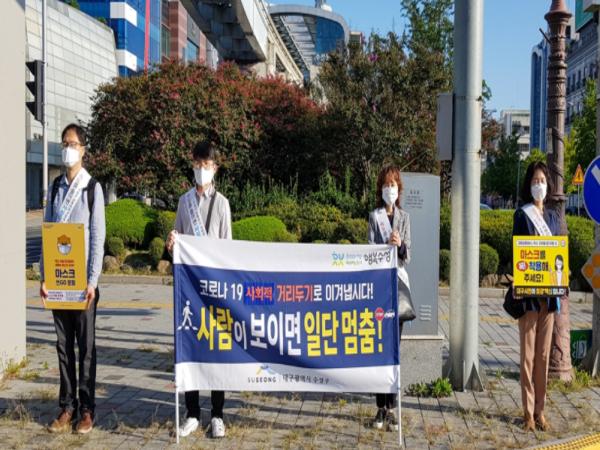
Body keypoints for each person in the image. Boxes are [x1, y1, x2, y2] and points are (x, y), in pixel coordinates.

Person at [40, 123, 106, 434]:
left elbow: (97, 238)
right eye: (64, 143)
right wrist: (44, 277)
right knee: (63, 347)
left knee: (86, 348)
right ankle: (67, 407)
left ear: (83, 150)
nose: (68, 149)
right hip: (59, 283)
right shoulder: (55, 187)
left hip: (83, 286)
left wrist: (93, 281)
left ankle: (87, 410)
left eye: (73, 144)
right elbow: (48, 234)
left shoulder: (92, 188)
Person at [165, 140, 232, 439]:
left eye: (206, 165)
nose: (201, 169)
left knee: (217, 349)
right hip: (190, 290)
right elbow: (177, 243)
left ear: (215, 168)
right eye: (197, 164)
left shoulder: (222, 204)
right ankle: (192, 412)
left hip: (214, 287)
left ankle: (217, 413)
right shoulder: (184, 202)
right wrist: (171, 243)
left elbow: (228, 248)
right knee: (190, 346)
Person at [512, 161, 562, 432]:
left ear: (548, 185)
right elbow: (517, 252)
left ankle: (541, 411)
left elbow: (559, 254)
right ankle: (528, 413)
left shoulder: (554, 217)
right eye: (534, 181)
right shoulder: (522, 215)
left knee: (543, 356)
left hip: (549, 297)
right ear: (529, 185)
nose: (538, 185)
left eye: (542, 181)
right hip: (529, 295)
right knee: (528, 356)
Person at [367, 164, 411, 432]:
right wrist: (385, 246)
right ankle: (380, 407)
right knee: (379, 348)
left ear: (399, 188)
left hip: (398, 286)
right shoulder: (374, 217)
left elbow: (409, 255)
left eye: (393, 185)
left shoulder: (405, 218)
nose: (389, 189)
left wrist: (400, 245)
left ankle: (393, 407)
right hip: (379, 288)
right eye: (385, 185)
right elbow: (368, 250)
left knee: (394, 348)